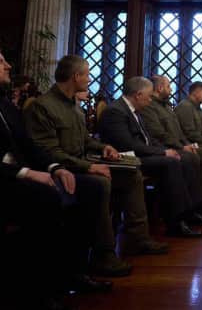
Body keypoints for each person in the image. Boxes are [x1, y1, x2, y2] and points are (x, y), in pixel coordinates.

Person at [25, 56, 168, 278]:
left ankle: (138, 238)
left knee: (131, 174)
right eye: (87, 74)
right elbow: (48, 152)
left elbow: (85, 141)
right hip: (61, 169)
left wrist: (103, 148)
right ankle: (103, 254)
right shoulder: (43, 106)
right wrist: (89, 167)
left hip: (81, 163)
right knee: (101, 182)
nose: (89, 79)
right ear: (76, 76)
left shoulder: (73, 105)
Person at [1, 50, 111, 310]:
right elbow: (40, 148)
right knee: (49, 197)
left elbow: (29, 146)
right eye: (1, 61)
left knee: (92, 188)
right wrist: (28, 173)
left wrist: (55, 168)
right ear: (75, 76)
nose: (8, 66)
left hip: (29, 172)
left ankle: (75, 271)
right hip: (9, 179)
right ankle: (39, 290)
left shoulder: (5, 104)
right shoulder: (43, 106)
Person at [99, 77, 202, 238]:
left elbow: (148, 139)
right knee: (171, 163)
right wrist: (163, 153)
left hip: (142, 154)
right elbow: (128, 145)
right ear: (138, 95)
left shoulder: (133, 109)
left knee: (183, 158)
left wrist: (167, 150)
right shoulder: (115, 111)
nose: (149, 101)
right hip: (126, 158)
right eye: (148, 97)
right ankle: (176, 221)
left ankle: (191, 211)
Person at [140, 75, 202, 212]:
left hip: (177, 145)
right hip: (165, 147)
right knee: (191, 157)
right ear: (160, 88)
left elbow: (179, 132)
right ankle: (191, 204)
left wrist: (187, 145)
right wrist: (182, 147)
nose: (171, 90)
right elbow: (158, 134)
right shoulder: (150, 107)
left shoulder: (167, 106)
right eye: (168, 86)